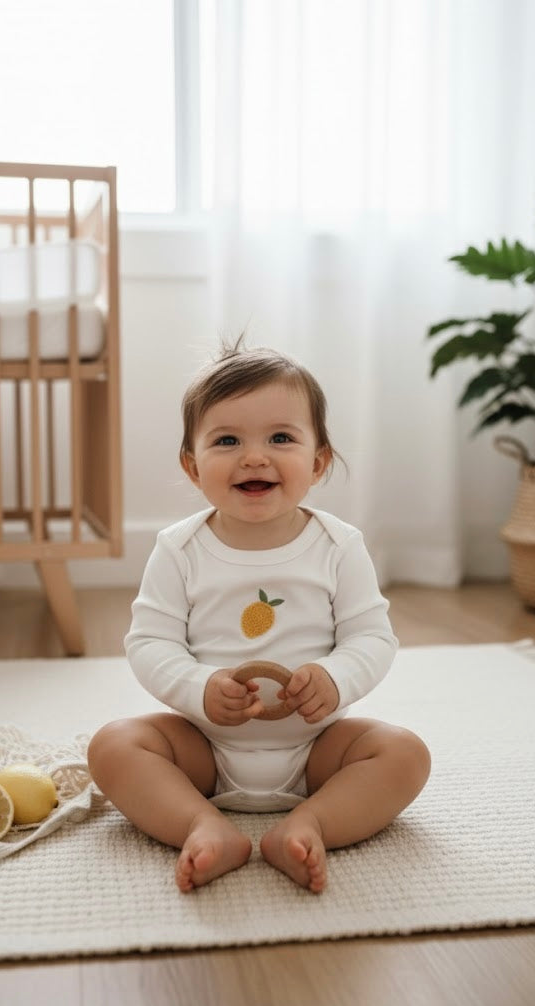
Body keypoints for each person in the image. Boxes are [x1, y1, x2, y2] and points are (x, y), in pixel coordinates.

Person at [88, 339, 431, 893]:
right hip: (203, 750)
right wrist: (199, 687)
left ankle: (309, 822)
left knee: (405, 753)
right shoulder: (179, 549)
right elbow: (149, 642)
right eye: (227, 440)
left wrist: (336, 678)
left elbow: (372, 637)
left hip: (317, 751)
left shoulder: (338, 546)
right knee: (113, 745)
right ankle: (203, 824)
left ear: (317, 462)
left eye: (280, 438)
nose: (254, 456)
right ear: (193, 465)